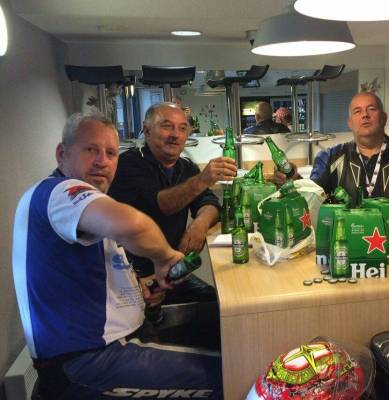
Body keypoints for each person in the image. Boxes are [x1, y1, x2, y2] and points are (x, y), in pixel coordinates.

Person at [12, 114, 223, 399]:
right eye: (91, 150)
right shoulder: (58, 191)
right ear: (62, 154)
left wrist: (139, 287)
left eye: (111, 153)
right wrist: (164, 257)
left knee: (222, 319)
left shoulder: (81, 208)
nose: (102, 161)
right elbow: (133, 225)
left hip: (128, 331)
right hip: (90, 359)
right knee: (234, 369)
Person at [277, 92, 389, 263]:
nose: (365, 115)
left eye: (371, 109)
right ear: (350, 122)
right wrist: (293, 180)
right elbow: (311, 201)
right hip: (346, 260)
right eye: (357, 111)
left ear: (384, 118)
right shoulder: (330, 158)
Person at [109, 102, 236, 310]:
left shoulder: (186, 167)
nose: (175, 135)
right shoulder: (127, 164)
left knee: (218, 305)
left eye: (182, 128)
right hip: (132, 278)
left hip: (172, 272)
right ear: (147, 131)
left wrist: (200, 224)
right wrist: (203, 179)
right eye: (167, 126)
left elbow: (210, 203)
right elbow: (162, 204)